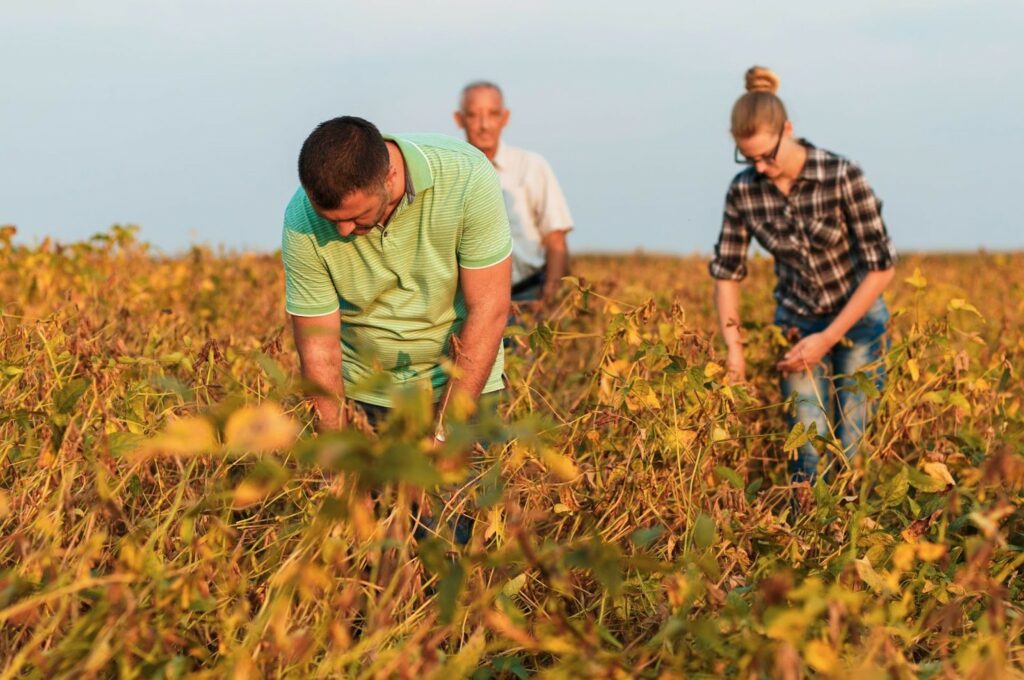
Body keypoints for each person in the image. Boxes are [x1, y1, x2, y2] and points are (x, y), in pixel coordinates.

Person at [709, 66, 897, 485]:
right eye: (748, 158)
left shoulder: (842, 175)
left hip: (859, 324)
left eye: (767, 156)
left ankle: (850, 541)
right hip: (796, 323)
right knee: (805, 447)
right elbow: (726, 274)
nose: (759, 168)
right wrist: (733, 349)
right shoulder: (743, 191)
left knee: (852, 446)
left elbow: (881, 268)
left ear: (788, 130)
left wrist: (828, 338)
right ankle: (808, 538)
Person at [281, 116, 512, 445]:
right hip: (367, 398)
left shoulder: (468, 176)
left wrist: (445, 433)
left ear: (390, 176)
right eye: (331, 220)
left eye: (355, 216)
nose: (343, 231)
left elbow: (488, 309)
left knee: (457, 495)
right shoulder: (301, 219)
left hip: (464, 384)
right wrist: (338, 460)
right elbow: (319, 349)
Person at [454, 81, 573, 310]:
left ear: (505, 118)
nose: (484, 125)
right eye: (473, 115)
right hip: (466, 304)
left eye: (493, 114)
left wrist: (550, 299)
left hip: (526, 296)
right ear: (459, 119)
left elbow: (555, 237)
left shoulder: (531, 166)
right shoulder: (450, 171)